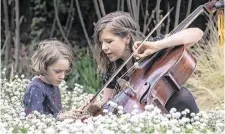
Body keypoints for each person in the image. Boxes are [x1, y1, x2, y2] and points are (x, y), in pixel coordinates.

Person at [92, 11, 204, 115]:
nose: (103, 48)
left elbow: (197, 33)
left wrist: (157, 46)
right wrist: (96, 109)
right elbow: (109, 107)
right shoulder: (112, 69)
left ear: (127, 38)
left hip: (174, 107)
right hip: (140, 118)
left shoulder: (153, 48)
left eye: (109, 41)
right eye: (101, 43)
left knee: (181, 96)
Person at [23, 39, 80, 120]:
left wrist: (69, 114)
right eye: (58, 71)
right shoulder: (36, 88)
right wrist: (61, 117)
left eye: (65, 71)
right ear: (44, 67)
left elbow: (56, 112)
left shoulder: (53, 84)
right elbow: (33, 118)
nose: (62, 76)